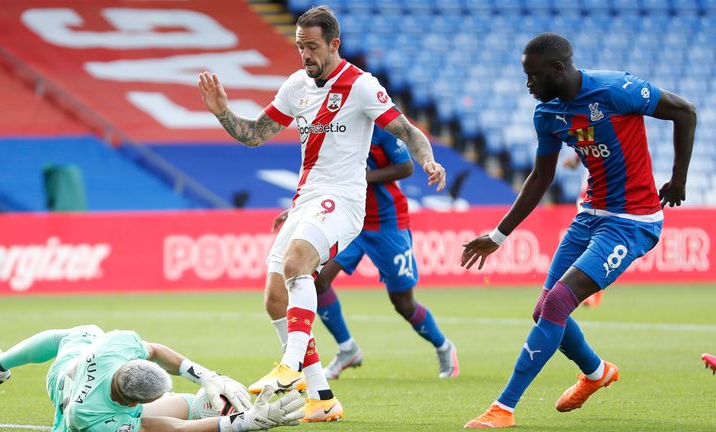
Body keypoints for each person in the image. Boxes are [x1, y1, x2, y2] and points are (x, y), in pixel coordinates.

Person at [198, 5, 446, 422]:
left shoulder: (361, 86)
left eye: (312, 47)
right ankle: (322, 396)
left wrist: (428, 161)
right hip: (307, 198)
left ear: (334, 44)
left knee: (298, 263)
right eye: (300, 48)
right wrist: (222, 111)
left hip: (346, 200)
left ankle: (290, 369)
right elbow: (256, 134)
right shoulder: (297, 85)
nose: (305, 56)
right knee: (275, 297)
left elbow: (407, 130)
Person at [461, 33, 695, 428]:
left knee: (555, 306)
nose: (528, 84)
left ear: (557, 69)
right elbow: (540, 177)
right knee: (543, 310)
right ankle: (596, 372)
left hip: (631, 221)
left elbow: (685, 111)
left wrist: (678, 179)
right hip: (590, 216)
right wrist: (498, 236)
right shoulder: (548, 115)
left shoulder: (615, 89)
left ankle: (503, 408)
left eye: (533, 76)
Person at [271, 125, 458, 381]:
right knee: (318, 280)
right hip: (346, 221)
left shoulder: (379, 127)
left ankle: (444, 346)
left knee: (403, 303)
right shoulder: (334, 126)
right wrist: (299, 210)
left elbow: (406, 167)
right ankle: (347, 348)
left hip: (387, 223)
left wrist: (360, 177)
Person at [0, 325, 304, 432]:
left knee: (83, 330)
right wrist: (239, 423)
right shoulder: (93, 416)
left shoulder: (114, 346)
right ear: (131, 401)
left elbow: (157, 351)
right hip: (70, 411)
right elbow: (165, 429)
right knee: (151, 420)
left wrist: (205, 375)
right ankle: (203, 408)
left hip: (80, 356)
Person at [562, 154, 603, 308]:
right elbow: (578, 156)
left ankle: (594, 293)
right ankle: (586, 292)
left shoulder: (608, 136)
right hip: (585, 199)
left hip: (601, 200)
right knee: (586, 246)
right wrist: (573, 161)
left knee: (595, 245)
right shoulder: (588, 137)